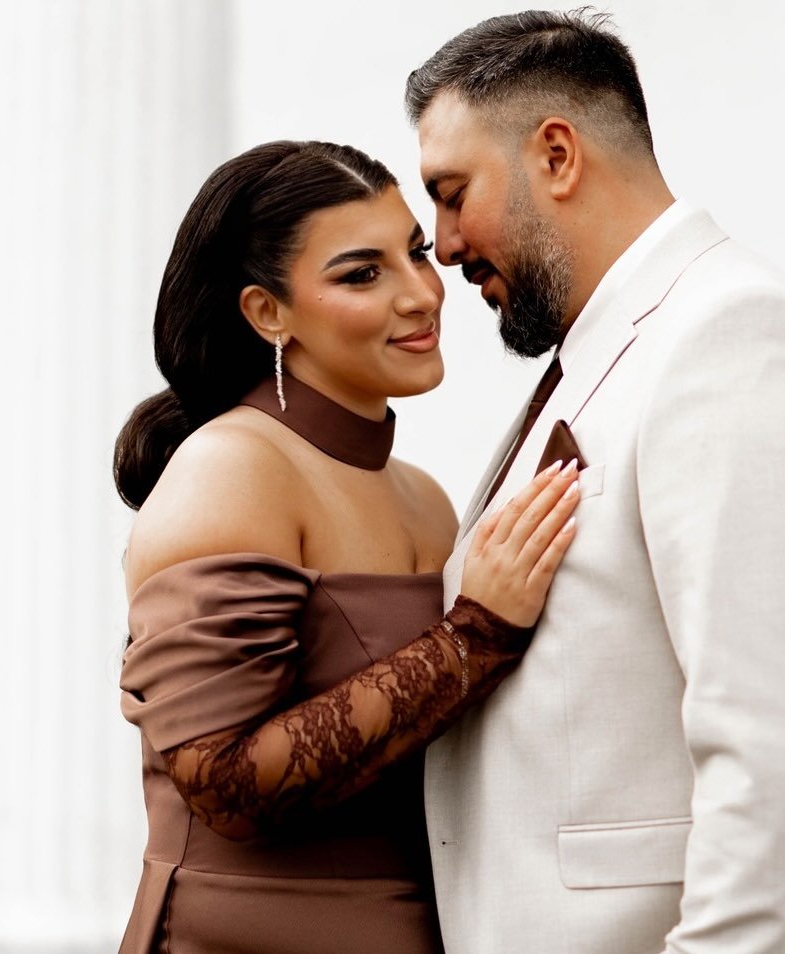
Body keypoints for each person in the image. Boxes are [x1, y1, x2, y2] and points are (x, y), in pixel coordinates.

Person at [405, 10, 785, 953]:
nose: (442, 245)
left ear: (556, 155)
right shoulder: (616, 351)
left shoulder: (735, 338)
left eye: (452, 193)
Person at [112, 139, 581, 953]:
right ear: (268, 313)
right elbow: (225, 785)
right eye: (362, 274)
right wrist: (474, 637)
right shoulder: (232, 467)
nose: (421, 295)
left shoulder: (425, 497)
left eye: (417, 254)